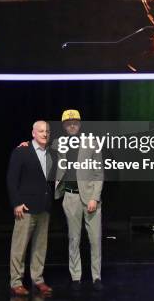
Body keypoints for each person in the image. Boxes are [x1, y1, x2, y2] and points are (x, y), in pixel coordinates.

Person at [56, 109, 104, 292]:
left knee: (95, 240)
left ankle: (96, 276)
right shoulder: (60, 144)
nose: (72, 125)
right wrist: (26, 145)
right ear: (64, 126)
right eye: (68, 123)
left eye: (75, 122)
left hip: (90, 199)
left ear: (80, 123)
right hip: (70, 197)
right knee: (73, 239)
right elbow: (40, 147)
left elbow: (99, 173)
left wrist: (95, 198)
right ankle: (76, 276)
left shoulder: (92, 143)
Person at [6, 121, 55, 297]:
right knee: (19, 247)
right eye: (41, 131)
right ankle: (16, 282)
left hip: (44, 208)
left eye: (47, 131)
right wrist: (16, 202)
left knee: (40, 247)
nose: (45, 134)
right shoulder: (22, 151)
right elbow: (12, 180)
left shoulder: (51, 152)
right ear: (33, 133)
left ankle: (38, 279)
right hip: (25, 207)